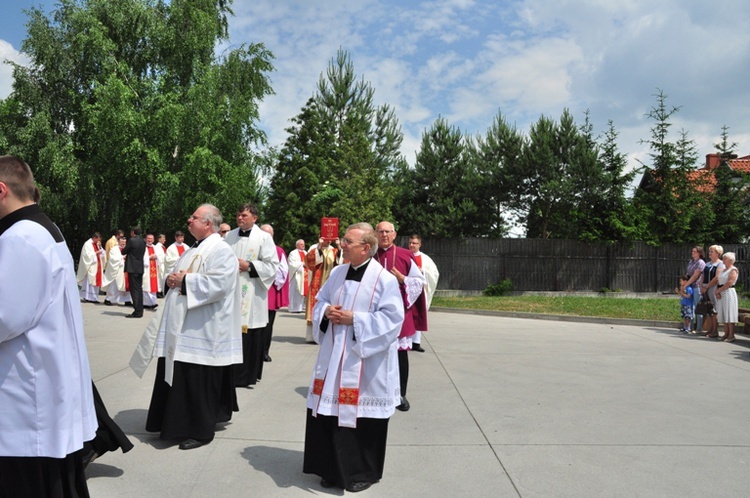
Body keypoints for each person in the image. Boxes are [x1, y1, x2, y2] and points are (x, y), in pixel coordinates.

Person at [0, 155, 97, 497]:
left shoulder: (20, 237)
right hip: (41, 385)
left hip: (25, 398)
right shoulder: (43, 228)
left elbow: (4, 317)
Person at [303, 222, 404, 493]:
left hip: (365, 360)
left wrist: (354, 319)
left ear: (366, 248)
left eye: (348, 241)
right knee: (331, 412)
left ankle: (362, 471)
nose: (342, 244)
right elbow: (320, 299)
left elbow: (393, 319)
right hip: (335, 356)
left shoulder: (384, 280)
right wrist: (326, 312)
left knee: (362, 416)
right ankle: (331, 468)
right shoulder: (336, 272)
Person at [130, 204, 242, 450]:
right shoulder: (193, 248)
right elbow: (177, 275)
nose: (189, 220)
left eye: (195, 217)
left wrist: (185, 280)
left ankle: (201, 431)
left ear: (208, 224)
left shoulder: (221, 250)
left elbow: (220, 284)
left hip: (204, 327)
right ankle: (173, 424)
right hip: (184, 325)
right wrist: (170, 279)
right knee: (179, 375)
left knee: (197, 380)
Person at [224, 203, 279, 387]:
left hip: (252, 292)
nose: (240, 218)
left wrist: (250, 266)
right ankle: (229, 374)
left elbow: (272, 266)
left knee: (250, 335)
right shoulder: (229, 236)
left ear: (254, 218)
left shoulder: (263, 238)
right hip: (231, 292)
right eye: (238, 215)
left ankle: (246, 376)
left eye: (244, 215)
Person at [375, 221, 426, 412]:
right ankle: (376, 391)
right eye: (381, 232)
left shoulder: (406, 255)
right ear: (375, 234)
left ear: (395, 234)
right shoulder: (369, 254)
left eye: (388, 232)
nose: (384, 235)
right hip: (375, 313)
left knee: (400, 355)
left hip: (399, 313)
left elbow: (419, 283)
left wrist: (402, 279)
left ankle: (400, 394)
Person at [260, 224, 289, 363]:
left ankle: (264, 351)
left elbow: (283, 271)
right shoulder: (253, 247)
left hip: (269, 291)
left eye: (269, 235)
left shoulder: (278, 250)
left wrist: (270, 278)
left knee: (267, 324)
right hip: (250, 291)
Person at [408, 234, 439, 352]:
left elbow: (434, 273)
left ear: (419, 244)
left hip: (420, 291)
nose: (412, 245)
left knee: (419, 315)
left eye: (414, 243)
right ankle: (406, 341)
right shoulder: (405, 255)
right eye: (410, 242)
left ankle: (416, 342)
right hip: (407, 290)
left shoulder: (425, 259)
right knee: (408, 316)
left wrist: (423, 272)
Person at [305, 237, 339, 342]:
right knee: (315, 306)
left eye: (330, 239)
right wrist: (319, 248)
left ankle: (327, 335)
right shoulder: (315, 248)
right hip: (317, 282)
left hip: (331, 282)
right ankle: (312, 337)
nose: (328, 241)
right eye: (326, 238)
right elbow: (310, 262)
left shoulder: (335, 250)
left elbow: (341, 263)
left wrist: (339, 246)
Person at [121, 226, 146, 318]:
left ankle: (137, 311)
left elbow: (123, 252)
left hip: (132, 267)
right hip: (140, 267)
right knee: (139, 289)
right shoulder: (143, 241)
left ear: (133, 232)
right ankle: (140, 309)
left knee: (134, 290)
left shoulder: (132, 241)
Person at [700, 245, 724, 338]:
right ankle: (709, 329)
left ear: (718, 253)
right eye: (709, 251)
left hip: (713, 287)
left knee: (714, 309)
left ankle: (715, 330)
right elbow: (702, 276)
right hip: (705, 287)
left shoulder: (720, 264)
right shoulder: (707, 264)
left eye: (712, 252)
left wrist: (707, 287)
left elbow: (717, 277)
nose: (709, 253)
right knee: (708, 309)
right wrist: (701, 286)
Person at [715, 252, 739, 343]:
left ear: (730, 260)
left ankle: (731, 334)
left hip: (729, 292)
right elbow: (719, 280)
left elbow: (729, 282)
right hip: (721, 292)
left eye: (725, 258)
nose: (723, 260)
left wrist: (719, 290)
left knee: (730, 313)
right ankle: (726, 333)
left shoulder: (733, 270)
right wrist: (717, 291)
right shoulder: (723, 270)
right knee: (724, 313)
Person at [77, 231, 106, 304]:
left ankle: (94, 297)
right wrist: (96, 253)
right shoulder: (87, 244)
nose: (99, 241)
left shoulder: (97, 244)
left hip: (97, 266)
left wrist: (100, 247)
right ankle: (88, 297)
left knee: (95, 283)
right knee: (90, 282)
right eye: (98, 239)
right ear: (94, 238)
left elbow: (103, 253)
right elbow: (87, 256)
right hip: (90, 267)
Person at [102, 236, 132, 306]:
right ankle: (108, 299)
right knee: (114, 285)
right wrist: (122, 258)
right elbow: (112, 258)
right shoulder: (114, 249)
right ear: (118, 241)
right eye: (121, 241)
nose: (123, 243)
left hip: (126, 269)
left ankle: (126, 300)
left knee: (126, 284)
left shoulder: (128, 248)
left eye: (124, 241)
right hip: (117, 270)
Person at [684, 246, 706, 332]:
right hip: (690, 286)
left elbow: (695, 275)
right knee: (691, 307)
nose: (693, 252)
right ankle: (691, 326)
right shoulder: (691, 262)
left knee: (698, 307)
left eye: (695, 251)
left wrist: (686, 284)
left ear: (699, 253)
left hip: (697, 286)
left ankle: (699, 328)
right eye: (692, 251)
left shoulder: (700, 262)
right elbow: (688, 273)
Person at [142, 233, 165, 309]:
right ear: (146, 239)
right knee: (146, 285)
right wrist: (149, 257)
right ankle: (145, 303)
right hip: (146, 269)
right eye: (148, 238)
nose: (149, 240)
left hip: (154, 269)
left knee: (154, 286)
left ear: (153, 240)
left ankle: (153, 302)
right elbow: (140, 257)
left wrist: (156, 256)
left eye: (151, 239)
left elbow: (162, 257)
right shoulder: (143, 247)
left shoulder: (156, 248)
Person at [287, 239, 308, 313]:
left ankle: (301, 307)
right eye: (301, 244)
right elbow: (292, 264)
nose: (303, 245)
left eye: (304, 244)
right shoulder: (293, 253)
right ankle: (293, 308)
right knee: (295, 291)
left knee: (302, 291)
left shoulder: (306, 253)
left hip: (304, 275)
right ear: (297, 245)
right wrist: (302, 265)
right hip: (296, 275)